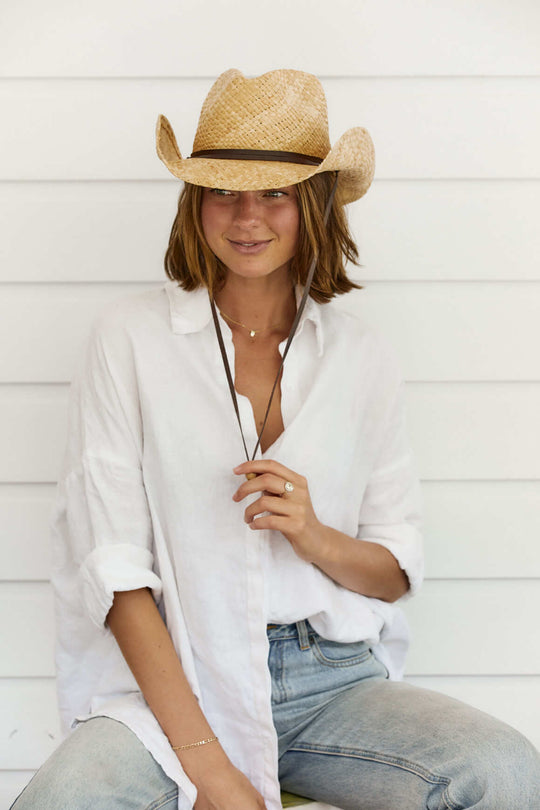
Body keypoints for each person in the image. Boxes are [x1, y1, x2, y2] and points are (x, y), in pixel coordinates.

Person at [11, 69, 539, 810]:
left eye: (276, 194)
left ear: (313, 206)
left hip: (331, 681)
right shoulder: (126, 339)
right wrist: (213, 772)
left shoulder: (362, 357)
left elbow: (393, 570)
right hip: (174, 679)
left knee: (504, 771)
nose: (247, 216)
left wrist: (314, 534)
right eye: (224, 190)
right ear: (196, 204)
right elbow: (116, 573)